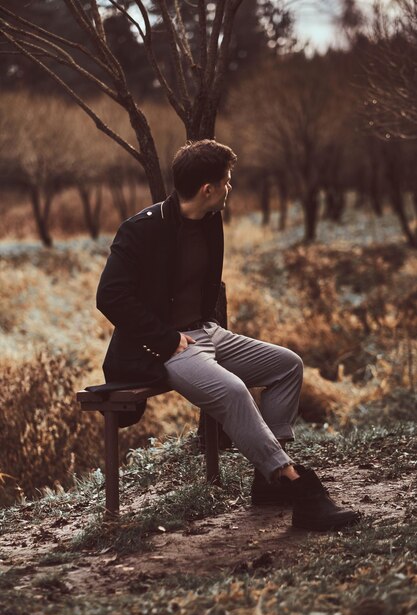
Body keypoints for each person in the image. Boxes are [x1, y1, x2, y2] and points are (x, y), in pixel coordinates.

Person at [96, 139, 360, 531]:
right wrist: (167, 339)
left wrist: (207, 331)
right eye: (227, 180)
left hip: (206, 333)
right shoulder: (140, 230)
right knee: (235, 391)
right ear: (208, 189)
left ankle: (266, 482)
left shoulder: (210, 220)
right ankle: (295, 485)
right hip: (163, 348)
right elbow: (110, 296)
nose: (230, 187)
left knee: (287, 366)